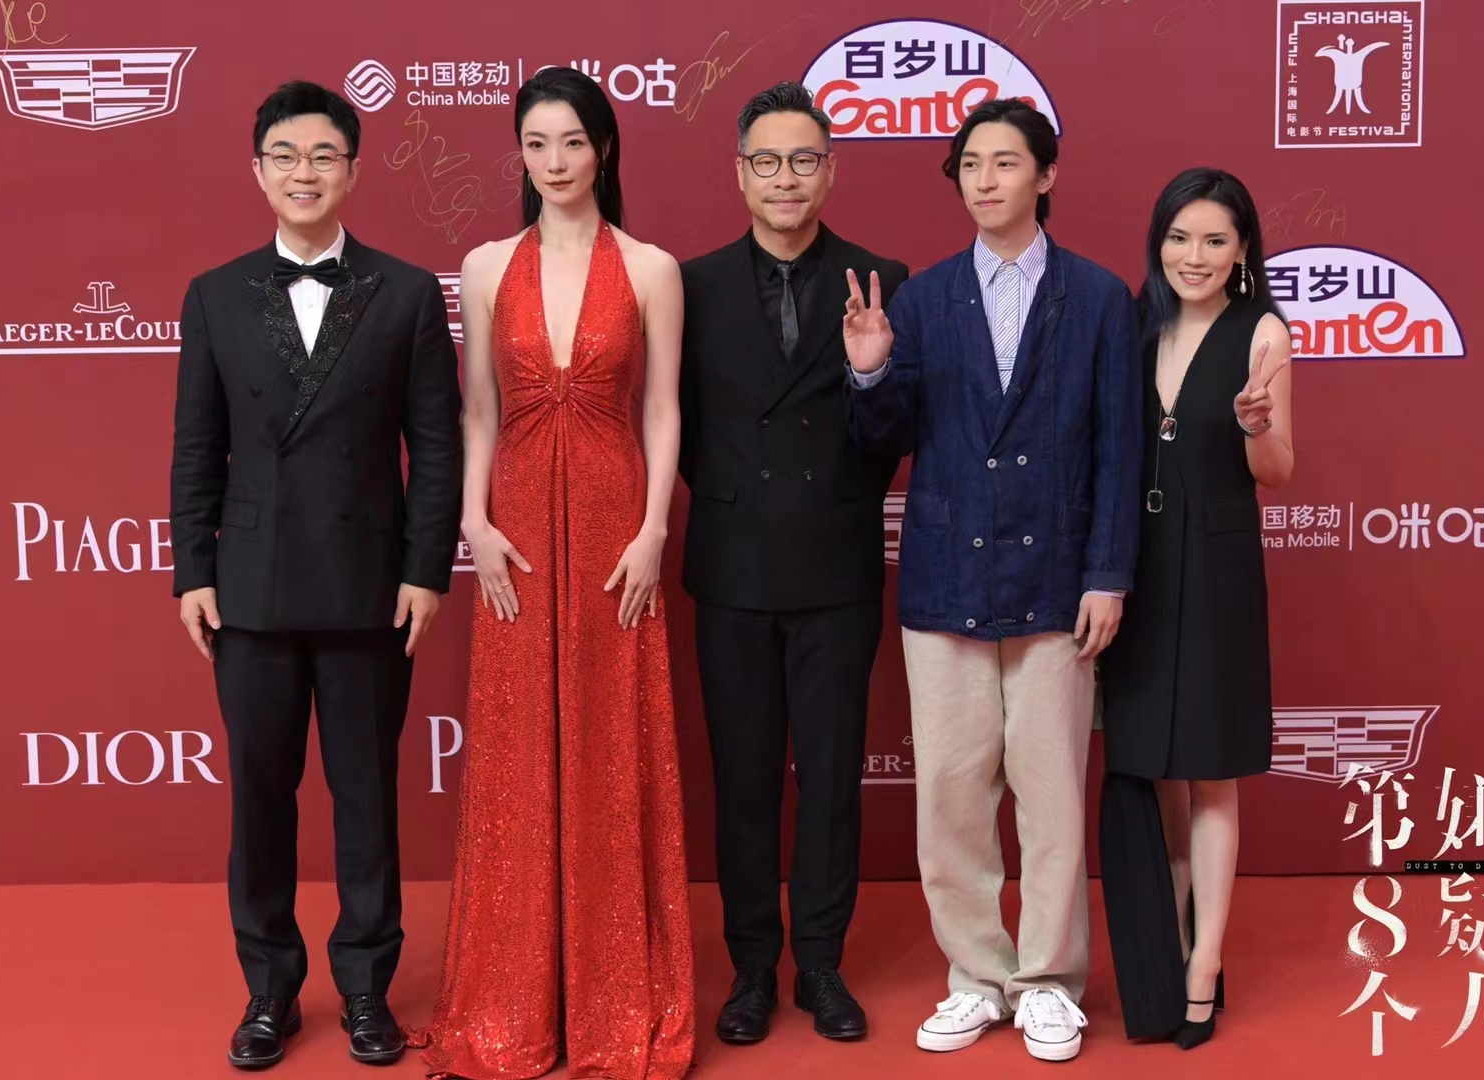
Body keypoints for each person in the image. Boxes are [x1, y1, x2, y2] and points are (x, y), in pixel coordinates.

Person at [169, 81, 463, 1069]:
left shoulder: (407, 292)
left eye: (324, 155)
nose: (305, 172)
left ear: (353, 169)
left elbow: (437, 444)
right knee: (259, 800)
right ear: (258, 171)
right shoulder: (213, 294)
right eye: (286, 156)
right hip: (248, 589)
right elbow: (196, 448)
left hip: (370, 586)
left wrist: (426, 570)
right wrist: (193, 570)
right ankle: (270, 991)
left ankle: (368, 990)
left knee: (366, 796)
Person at [408, 66, 694, 1080]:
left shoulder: (652, 268)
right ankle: (515, 999)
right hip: (519, 527)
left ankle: (616, 998)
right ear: (519, 154)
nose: (556, 161)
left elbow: (662, 408)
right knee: (521, 749)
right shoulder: (485, 265)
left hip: (618, 523)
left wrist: (654, 528)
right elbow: (478, 411)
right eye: (537, 143)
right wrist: (473, 523)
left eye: (573, 141)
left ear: (604, 148)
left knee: (614, 743)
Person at [843, 99, 1141, 1063]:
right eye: (970, 163)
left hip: (1058, 581)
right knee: (951, 797)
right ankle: (976, 976)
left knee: (1051, 795)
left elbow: (1119, 450)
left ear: (1045, 176)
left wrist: (1108, 575)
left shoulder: (1098, 298)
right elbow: (884, 443)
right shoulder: (922, 299)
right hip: (946, 580)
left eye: (1005, 162)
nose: (984, 179)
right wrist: (869, 374)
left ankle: (1048, 981)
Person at [678, 81, 908, 1046]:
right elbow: (676, 430)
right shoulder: (689, 285)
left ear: (830, 170)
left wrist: (869, 370)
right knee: (742, 779)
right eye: (767, 162)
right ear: (740, 173)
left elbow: (893, 436)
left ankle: (820, 964)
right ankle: (750, 969)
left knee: (832, 777)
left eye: (803, 160)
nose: (785, 178)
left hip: (836, 566)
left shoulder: (880, 278)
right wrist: (736, 495)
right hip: (732, 565)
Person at [1097, 167, 1293, 1050]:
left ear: (1243, 249)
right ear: (1159, 243)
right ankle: (1174, 936)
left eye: (1216, 240)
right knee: (1158, 763)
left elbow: (1279, 472)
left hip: (1216, 567)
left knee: (1210, 769)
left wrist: (1257, 426)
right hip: (1140, 566)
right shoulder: (1137, 324)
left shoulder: (1262, 332)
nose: (1195, 256)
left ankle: (1205, 963)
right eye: (1180, 238)